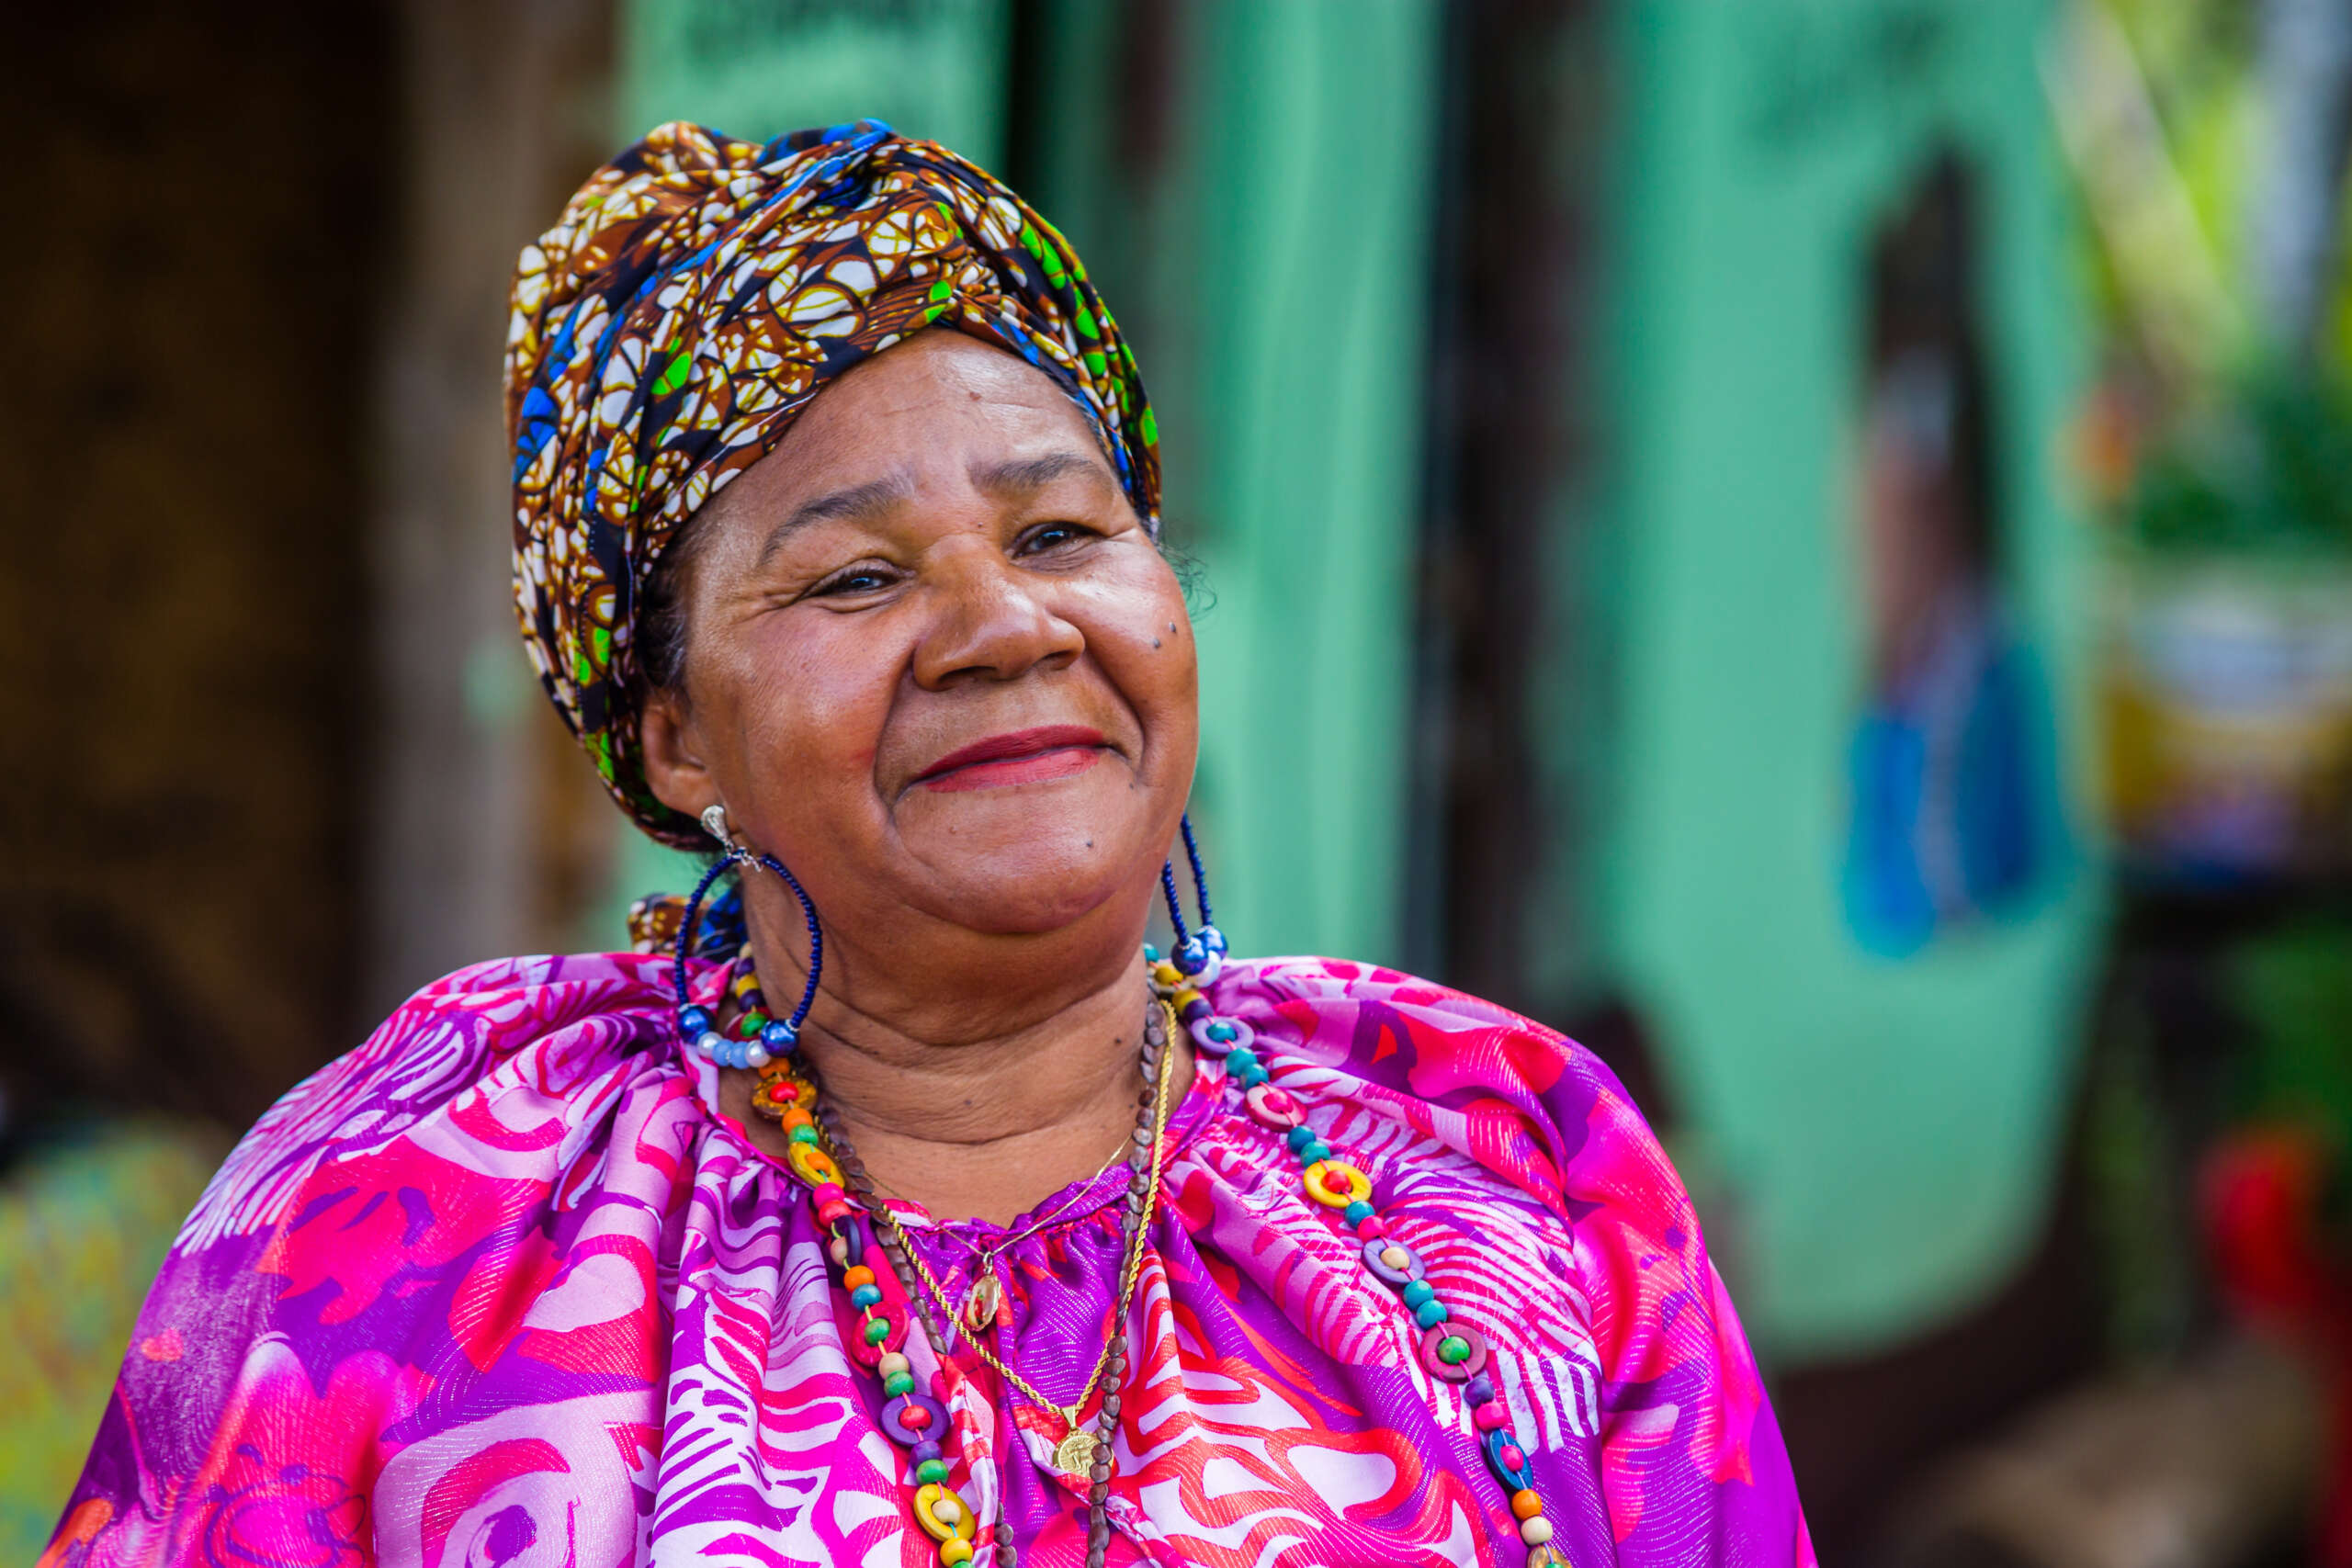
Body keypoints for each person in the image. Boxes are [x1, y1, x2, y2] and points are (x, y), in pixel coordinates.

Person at [46, 121, 1811, 1568]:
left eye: (1061, 533)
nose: (1006, 628)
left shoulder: (1501, 1159)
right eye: (855, 576)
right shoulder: (413, 1224)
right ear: (674, 734)